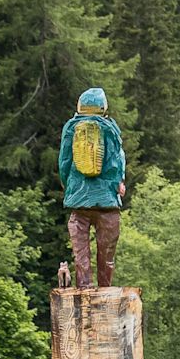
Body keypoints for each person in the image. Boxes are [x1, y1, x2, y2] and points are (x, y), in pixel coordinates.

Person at [58, 87, 126, 289]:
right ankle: (105, 291)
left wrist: (68, 187)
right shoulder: (110, 128)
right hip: (107, 202)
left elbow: (64, 162)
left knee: (81, 255)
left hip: (79, 202)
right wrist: (118, 184)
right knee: (107, 255)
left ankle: (84, 289)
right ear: (103, 107)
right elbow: (116, 162)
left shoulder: (71, 128)